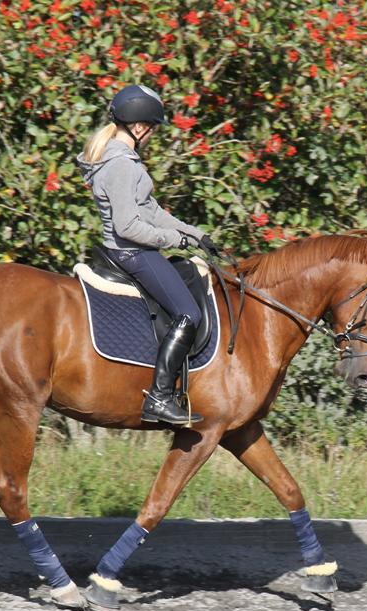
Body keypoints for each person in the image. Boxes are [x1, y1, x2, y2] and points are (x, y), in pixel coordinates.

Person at [77, 84, 224, 426]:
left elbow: (152, 211)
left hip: (133, 250)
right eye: (153, 129)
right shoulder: (121, 165)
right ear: (140, 126)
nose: (153, 135)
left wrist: (196, 235)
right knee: (188, 312)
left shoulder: (122, 160)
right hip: (132, 253)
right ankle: (159, 397)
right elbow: (128, 226)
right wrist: (174, 239)